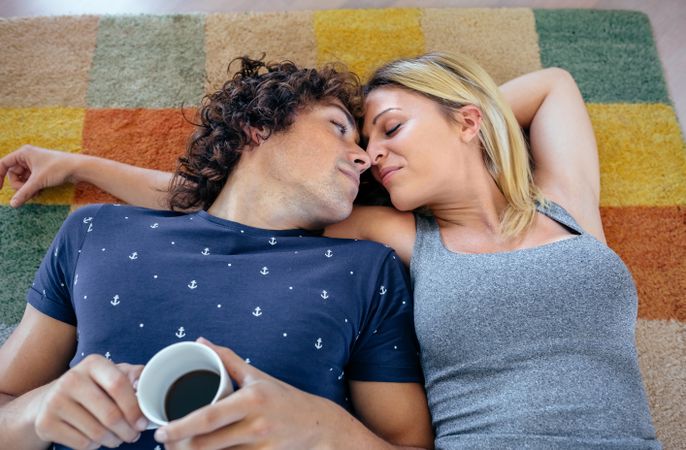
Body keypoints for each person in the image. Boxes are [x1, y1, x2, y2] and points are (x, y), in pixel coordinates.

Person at [1, 52, 660, 449]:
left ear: (469, 119)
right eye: (355, 136)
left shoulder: (562, 206)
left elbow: (554, 83)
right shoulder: (390, 238)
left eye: (386, 129)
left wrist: (464, 121)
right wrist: (78, 163)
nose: (369, 153)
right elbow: (228, 203)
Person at [0, 57, 434, 450]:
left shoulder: (367, 267)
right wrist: (37, 412)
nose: (363, 158)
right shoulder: (96, 229)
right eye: (339, 128)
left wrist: (325, 432)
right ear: (258, 126)